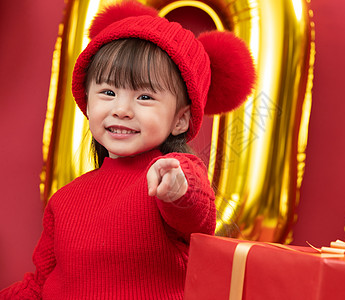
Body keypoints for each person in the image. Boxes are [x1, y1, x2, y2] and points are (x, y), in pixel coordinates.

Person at [0, 1, 256, 299]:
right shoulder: (64, 200)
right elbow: (41, 284)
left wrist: (177, 188)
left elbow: (196, 211)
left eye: (145, 96)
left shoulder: (172, 176)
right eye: (108, 92)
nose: (121, 109)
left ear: (180, 119)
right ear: (87, 99)